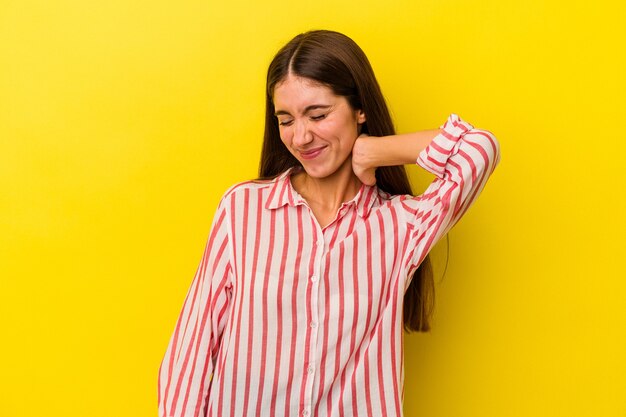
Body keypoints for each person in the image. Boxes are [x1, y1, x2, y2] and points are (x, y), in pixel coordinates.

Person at [158, 29, 500, 417]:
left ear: (360, 109)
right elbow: (193, 349)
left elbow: (479, 149)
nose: (301, 136)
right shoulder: (243, 210)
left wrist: (375, 150)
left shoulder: (400, 226)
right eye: (285, 120)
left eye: (318, 115)